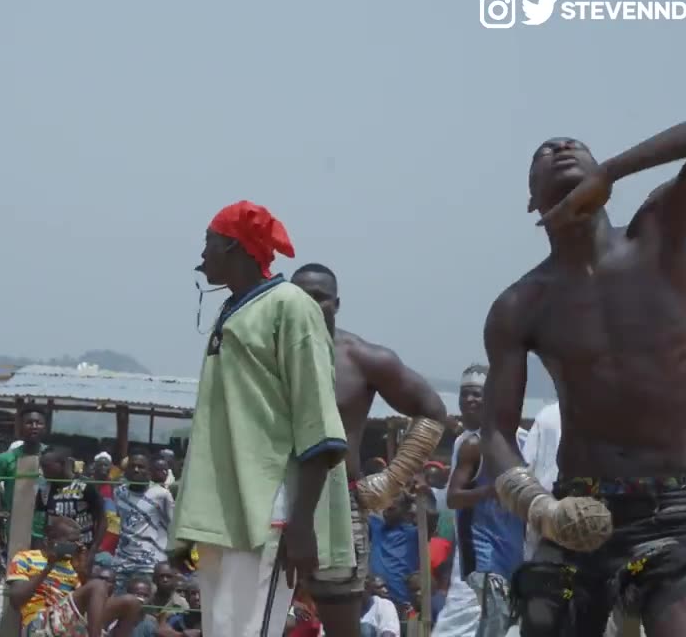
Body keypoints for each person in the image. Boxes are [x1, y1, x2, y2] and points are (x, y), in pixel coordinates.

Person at [479, 108, 686, 637]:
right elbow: (496, 429)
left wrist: (613, 169)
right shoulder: (520, 305)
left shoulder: (658, 234)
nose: (561, 146)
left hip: (674, 507)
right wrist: (539, 506)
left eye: (575, 145)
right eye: (544, 151)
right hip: (578, 510)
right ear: (531, 200)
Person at [172, 200, 354, 637]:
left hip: (268, 511)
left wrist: (302, 523)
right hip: (223, 513)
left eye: (209, 243)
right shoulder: (234, 308)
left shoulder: (292, 307)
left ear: (233, 246)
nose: (201, 256)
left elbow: (318, 424)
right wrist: (187, 526)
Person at [290, 262, 449, 635]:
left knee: (343, 622)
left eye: (319, 298)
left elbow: (432, 412)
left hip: (339, 504)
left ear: (337, 304)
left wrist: (392, 480)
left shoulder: (360, 358)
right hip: (273, 498)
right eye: (299, 297)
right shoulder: (264, 355)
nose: (309, 305)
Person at [446, 375, 524, 637]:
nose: (469, 400)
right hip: (483, 554)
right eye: (464, 394)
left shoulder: (524, 442)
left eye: (476, 394)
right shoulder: (473, 445)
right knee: (493, 625)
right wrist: (490, 491)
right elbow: (453, 497)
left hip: (515, 553)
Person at [8, 515, 145, 637]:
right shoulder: (25, 558)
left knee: (131, 602)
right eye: (72, 541)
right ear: (51, 539)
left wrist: (82, 572)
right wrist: (48, 567)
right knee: (98, 585)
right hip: (39, 625)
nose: (78, 545)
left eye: (79, 541)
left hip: (71, 622)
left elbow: (91, 604)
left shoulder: (73, 564)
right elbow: (16, 600)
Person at [113, 451, 175, 591]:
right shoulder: (119, 492)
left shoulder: (161, 495)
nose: (136, 470)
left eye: (141, 467)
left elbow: (173, 525)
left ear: (149, 471)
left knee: (142, 605)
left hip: (149, 564)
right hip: (122, 562)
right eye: (132, 466)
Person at [521, 401, 562, 561]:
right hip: (550, 516)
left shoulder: (547, 414)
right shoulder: (547, 415)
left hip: (544, 511)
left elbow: (526, 467)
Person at [0, 410, 48, 520]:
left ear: (45, 427)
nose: (34, 426)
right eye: (29, 423)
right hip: (16, 527)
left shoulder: (53, 457)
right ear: (20, 427)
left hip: (46, 529)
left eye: (38, 423)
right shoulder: (4, 459)